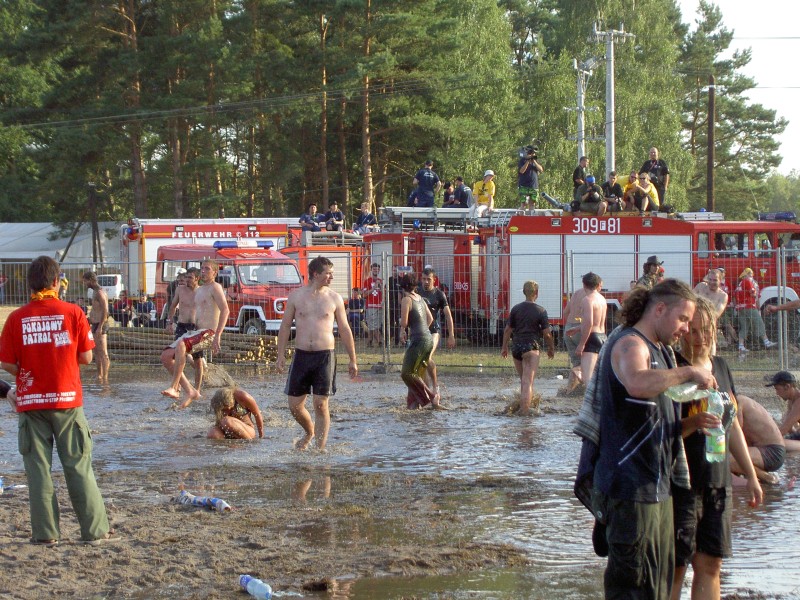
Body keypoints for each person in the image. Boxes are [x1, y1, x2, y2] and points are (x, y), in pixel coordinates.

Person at [589, 279, 717, 600]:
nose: (686, 329)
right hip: (629, 490)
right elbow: (636, 382)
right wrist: (689, 374)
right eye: (683, 319)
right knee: (632, 590)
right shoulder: (631, 344)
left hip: (657, 488)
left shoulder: (661, 350)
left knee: (657, 587)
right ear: (659, 309)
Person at [0, 255, 116, 545]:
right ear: (56, 281)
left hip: (31, 403)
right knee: (78, 465)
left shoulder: (16, 318)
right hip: (66, 400)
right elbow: (87, 357)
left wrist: (30, 366)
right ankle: (94, 531)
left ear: (30, 283)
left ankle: (45, 534)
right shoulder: (73, 312)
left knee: (38, 470)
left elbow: (7, 364)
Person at [671, 296, 762, 600]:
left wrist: (750, 475)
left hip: (718, 481)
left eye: (706, 330)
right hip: (682, 483)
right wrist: (694, 423)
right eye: (693, 330)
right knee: (676, 567)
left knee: (711, 565)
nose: (700, 338)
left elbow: (732, 423)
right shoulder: (674, 367)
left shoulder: (721, 367)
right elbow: (659, 431)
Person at [276, 256, 358, 450]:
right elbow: (285, 326)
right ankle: (309, 432)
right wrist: (280, 355)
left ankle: (319, 449)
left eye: (331, 273)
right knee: (294, 405)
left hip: (324, 356)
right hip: (302, 355)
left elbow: (345, 329)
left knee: (320, 404)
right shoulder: (296, 296)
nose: (331, 277)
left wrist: (352, 359)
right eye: (328, 273)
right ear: (315, 274)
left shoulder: (334, 298)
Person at [160, 260, 229, 408]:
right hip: (194, 330)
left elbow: (225, 309)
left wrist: (218, 335)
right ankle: (190, 391)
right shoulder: (200, 290)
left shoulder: (215, 287)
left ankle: (175, 386)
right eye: (202, 268)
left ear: (214, 272)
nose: (203, 271)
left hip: (208, 332)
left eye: (207, 269)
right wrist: (170, 321)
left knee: (182, 346)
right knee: (165, 356)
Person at [500, 280, 555, 416]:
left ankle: (522, 406)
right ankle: (524, 413)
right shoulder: (541, 311)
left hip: (516, 347)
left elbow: (508, 330)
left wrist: (504, 347)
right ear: (536, 293)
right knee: (527, 382)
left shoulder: (516, 309)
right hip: (531, 347)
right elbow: (547, 334)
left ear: (524, 292)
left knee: (524, 381)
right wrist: (551, 348)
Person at [398, 272, 440, 409]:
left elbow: (404, 322)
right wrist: (424, 332)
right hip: (428, 339)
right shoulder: (420, 298)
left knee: (406, 373)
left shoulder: (406, 300)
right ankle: (412, 404)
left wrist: (403, 331)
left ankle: (431, 396)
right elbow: (430, 319)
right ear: (415, 285)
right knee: (415, 375)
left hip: (419, 341)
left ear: (403, 287)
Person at [730, 394, 785, 484]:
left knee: (727, 460)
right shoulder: (741, 400)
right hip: (766, 450)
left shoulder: (737, 402)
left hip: (772, 452)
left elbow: (736, 433)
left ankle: (767, 477)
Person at [166, 267, 205, 395]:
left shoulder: (202, 292)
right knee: (177, 355)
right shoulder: (180, 290)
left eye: (190, 278)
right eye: (186, 277)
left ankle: (197, 389)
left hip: (196, 327)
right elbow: (172, 306)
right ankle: (176, 386)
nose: (186, 280)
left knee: (198, 361)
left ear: (197, 279)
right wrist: (170, 322)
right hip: (182, 326)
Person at [418, 267, 456, 398]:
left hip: (434, 331)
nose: (426, 282)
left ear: (434, 280)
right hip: (419, 332)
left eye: (429, 279)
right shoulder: (417, 292)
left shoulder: (439, 294)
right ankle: (427, 391)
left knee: (426, 357)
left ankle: (435, 387)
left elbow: (448, 315)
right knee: (421, 362)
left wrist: (451, 335)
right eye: (424, 279)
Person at [574, 273, 607, 387]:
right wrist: (577, 328)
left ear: (584, 284)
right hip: (602, 337)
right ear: (598, 285)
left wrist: (581, 344)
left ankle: (591, 404)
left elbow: (589, 323)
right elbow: (596, 323)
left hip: (591, 339)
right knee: (599, 377)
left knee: (588, 380)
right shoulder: (602, 299)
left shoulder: (587, 300)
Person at [734, 268, 775, 352]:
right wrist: (755, 293)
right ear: (749, 274)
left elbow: (736, 296)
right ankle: (766, 342)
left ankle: (741, 346)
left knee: (744, 326)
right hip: (749, 306)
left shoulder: (740, 283)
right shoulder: (748, 281)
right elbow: (752, 293)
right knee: (759, 322)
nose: (752, 275)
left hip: (740, 308)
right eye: (751, 273)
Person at [82, 271, 110, 383]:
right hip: (95, 324)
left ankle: (105, 377)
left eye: (85, 281)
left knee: (103, 352)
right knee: (97, 351)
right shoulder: (94, 292)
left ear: (91, 280)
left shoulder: (100, 293)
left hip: (101, 325)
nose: (85, 283)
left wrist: (100, 327)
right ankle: (99, 375)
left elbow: (105, 310)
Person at [561, 284, 589, 393]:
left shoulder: (576, 293)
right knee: (588, 362)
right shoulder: (591, 295)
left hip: (568, 328)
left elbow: (565, 312)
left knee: (577, 363)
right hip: (579, 327)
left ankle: (570, 391)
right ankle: (582, 390)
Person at [766, 370, 800, 452]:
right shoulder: (792, 400)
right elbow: (788, 428)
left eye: (777, 389)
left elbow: (783, 430)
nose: (777, 393)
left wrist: (764, 438)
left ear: (787, 386)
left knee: (775, 444)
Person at [362, 262, 383, 348]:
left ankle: (369, 341)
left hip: (379, 305)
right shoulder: (367, 281)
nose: (375, 271)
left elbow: (382, 293)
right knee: (373, 325)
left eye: (377, 269)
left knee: (375, 325)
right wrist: (373, 288)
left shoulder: (380, 281)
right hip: (370, 305)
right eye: (374, 269)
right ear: (371, 270)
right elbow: (364, 294)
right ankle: (380, 342)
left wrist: (381, 288)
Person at [518, 145, 544, 211]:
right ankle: (521, 217)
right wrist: (527, 161)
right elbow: (521, 171)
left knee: (532, 204)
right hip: (524, 186)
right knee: (524, 203)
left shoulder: (536, 160)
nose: (532, 155)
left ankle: (531, 217)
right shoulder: (522, 160)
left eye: (533, 154)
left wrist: (534, 161)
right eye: (531, 153)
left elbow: (541, 170)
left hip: (533, 186)